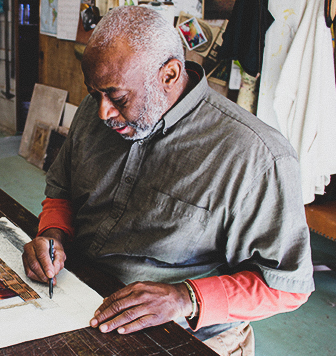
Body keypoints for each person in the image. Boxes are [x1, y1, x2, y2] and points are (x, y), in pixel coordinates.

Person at [22, 6, 314, 355]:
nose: (103, 112)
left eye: (118, 97)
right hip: (83, 295)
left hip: (186, 333)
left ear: (170, 74)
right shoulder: (96, 110)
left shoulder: (256, 156)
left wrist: (184, 297)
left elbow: (288, 286)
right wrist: (51, 235)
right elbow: (62, 189)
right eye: (94, 93)